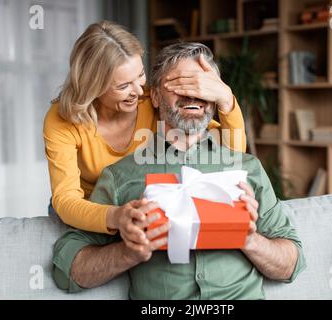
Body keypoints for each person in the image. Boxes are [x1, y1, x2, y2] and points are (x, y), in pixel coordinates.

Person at [52, 42, 306, 300]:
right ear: (154, 96)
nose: (192, 95)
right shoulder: (120, 176)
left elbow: (292, 264)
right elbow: (69, 271)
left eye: (202, 86)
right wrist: (128, 252)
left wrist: (249, 239)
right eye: (179, 85)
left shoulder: (246, 168)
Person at [43, 21, 247, 245]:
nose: (139, 92)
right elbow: (66, 200)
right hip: (93, 210)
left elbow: (230, 155)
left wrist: (226, 100)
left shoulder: (153, 100)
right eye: (123, 86)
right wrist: (116, 216)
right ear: (93, 86)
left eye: (140, 76)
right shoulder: (63, 118)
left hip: (141, 202)